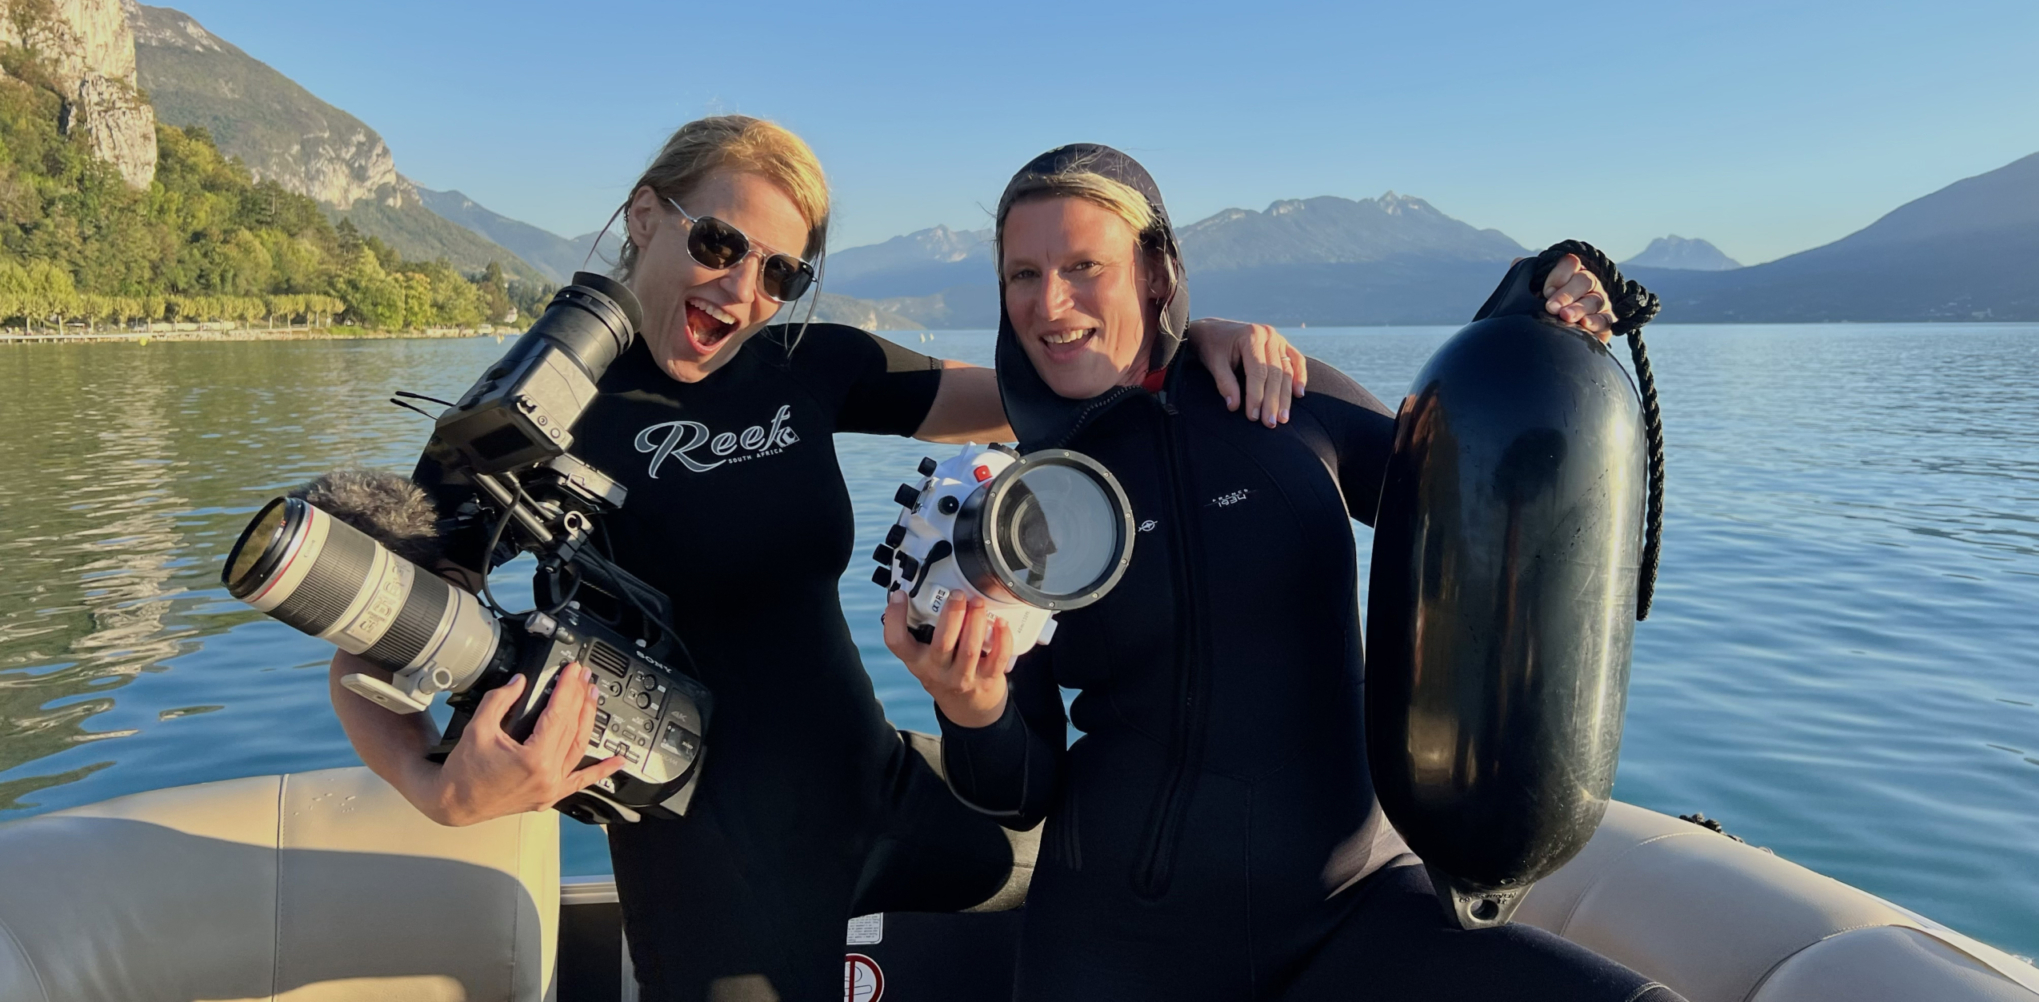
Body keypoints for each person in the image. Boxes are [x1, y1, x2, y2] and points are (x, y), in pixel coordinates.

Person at [324, 117, 1310, 1002]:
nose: (742, 290)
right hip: (710, 871)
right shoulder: (530, 409)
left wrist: (1182, 340)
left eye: (780, 275)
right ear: (644, 216)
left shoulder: (805, 367)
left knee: (1122, 860)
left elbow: (1050, 387)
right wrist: (432, 786)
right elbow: (368, 638)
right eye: (718, 243)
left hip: (880, 793)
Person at [884, 143, 1686, 1000]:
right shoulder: (1025, 497)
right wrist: (974, 709)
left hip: (1352, 908)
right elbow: (1019, 793)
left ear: (1156, 272)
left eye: (1085, 265)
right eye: (1022, 275)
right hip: (1117, 942)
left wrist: (1527, 317)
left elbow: (1469, 476)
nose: (1050, 302)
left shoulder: (1283, 398)